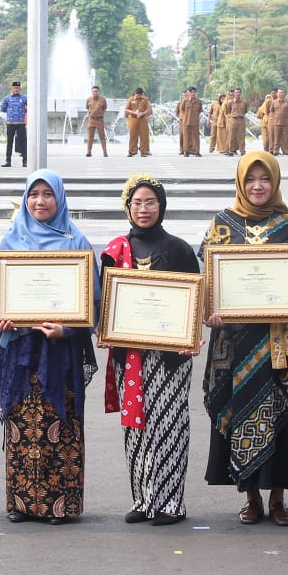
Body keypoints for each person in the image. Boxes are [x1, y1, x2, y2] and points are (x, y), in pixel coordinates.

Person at [202, 151, 288, 527]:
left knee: (281, 418)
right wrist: (211, 308)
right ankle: (251, 497)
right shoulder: (221, 225)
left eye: (264, 179)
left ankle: (279, 499)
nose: (257, 186)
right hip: (235, 343)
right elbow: (208, 281)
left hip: (280, 343)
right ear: (240, 182)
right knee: (240, 414)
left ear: (275, 182)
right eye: (250, 179)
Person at [0, 170, 98, 524]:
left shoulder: (76, 243)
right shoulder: (11, 240)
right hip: (21, 349)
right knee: (22, 426)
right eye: (33, 193)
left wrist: (65, 329)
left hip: (58, 352)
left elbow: (92, 304)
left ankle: (58, 506)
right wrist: (2, 317)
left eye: (47, 194)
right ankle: (20, 503)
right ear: (25, 198)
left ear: (60, 198)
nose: (40, 201)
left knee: (59, 425)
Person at [103, 174, 201, 525]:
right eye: (137, 203)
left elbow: (194, 300)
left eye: (151, 202)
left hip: (169, 357)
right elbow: (105, 303)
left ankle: (171, 502)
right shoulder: (115, 251)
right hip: (129, 355)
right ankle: (143, 499)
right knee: (136, 427)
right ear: (127, 207)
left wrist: (190, 338)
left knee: (169, 424)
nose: (143, 209)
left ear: (162, 206)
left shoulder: (178, 249)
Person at [0, 82, 27, 167]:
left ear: (20, 89)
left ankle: (25, 161)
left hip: (21, 123)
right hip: (10, 123)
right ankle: (8, 161)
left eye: (18, 88)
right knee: (9, 142)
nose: (16, 89)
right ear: (12, 89)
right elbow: (3, 109)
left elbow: (30, 107)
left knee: (23, 142)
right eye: (15, 88)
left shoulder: (24, 98)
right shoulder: (7, 98)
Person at [124, 87, 152, 156]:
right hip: (133, 119)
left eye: (140, 95)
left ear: (142, 94)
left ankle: (144, 151)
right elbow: (126, 109)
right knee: (133, 135)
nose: (138, 96)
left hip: (142, 119)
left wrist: (142, 113)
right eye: (137, 95)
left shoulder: (145, 100)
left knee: (144, 135)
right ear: (135, 93)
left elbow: (148, 109)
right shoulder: (131, 99)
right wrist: (134, 113)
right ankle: (132, 151)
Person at [176, 86, 202, 157]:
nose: (193, 94)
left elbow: (199, 111)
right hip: (186, 121)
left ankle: (197, 151)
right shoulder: (185, 101)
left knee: (196, 137)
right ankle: (186, 151)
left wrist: (195, 117)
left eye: (194, 92)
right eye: (191, 92)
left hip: (195, 122)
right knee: (186, 137)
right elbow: (182, 110)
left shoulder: (199, 102)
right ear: (189, 93)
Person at [222, 88, 248, 155]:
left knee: (241, 136)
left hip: (241, 120)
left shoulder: (244, 102)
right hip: (233, 120)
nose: (237, 94)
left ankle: (242, 150)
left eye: (239, 92)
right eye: (236, 92)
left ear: (240, 93)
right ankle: (231, 150)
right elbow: (228, 111)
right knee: (231, 136)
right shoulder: (230, 102)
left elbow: (245, 111)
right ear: (234, 93)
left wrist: (240, 115)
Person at [84, 85, 109, 157]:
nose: (95, 93)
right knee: (90, 137)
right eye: (94, 91)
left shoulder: (103, 99)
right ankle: (89, 151)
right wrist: (91, 113)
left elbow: (105, 108)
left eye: (96, 91)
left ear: (99, 92)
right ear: (92, 92)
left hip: (100, 120)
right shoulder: (89, 99)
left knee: (102, 136)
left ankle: (105, 151)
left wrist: (101, 113)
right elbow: (87, 107)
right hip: (91, 120)